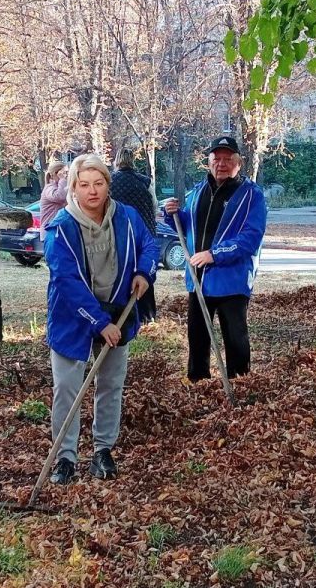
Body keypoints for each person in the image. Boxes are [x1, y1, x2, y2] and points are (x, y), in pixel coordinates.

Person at [43, 153, 160, 484]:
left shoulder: (127, 217)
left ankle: (102, 450)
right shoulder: (61, 229)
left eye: (98, 183)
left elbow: (149, 246)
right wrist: (99, 323)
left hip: (118, 312)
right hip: (73, 319)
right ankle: (65, 457)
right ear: (74, 189)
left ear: (108, 185)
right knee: (67, 388)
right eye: (84, 185)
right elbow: (68, 283)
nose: (92, 191)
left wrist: (144, 273)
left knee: (110, 384)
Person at [163, 136, 267, 382]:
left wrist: (214, 255)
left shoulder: (252, 195)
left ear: (238, 163)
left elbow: (250, 239)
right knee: (197, 337)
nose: (221, 164)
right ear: (208, 162)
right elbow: (191, 225)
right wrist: (174, 215)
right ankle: (198, 386)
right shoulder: (198, 191)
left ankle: (240, 386)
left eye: (227, 159)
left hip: (231, 281)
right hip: (198, 280)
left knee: (235, 338)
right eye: (216, 158)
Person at [109, 148, 158, 322]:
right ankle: (148, 314)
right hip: (145, 231)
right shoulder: (144, 181)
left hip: (121, 234)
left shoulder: (110, 181)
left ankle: (125, 311)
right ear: (132, 161)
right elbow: (154, 205)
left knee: (123, 271)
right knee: (145, 272)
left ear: (117, 161)